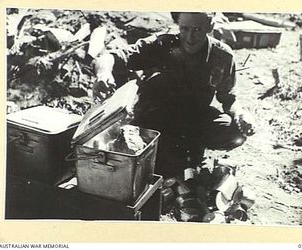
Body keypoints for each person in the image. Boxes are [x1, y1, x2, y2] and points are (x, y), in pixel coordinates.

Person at [92, 12, 255, 177]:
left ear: (210, 27)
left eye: (197, 29)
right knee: (164, 169)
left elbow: (229, 98)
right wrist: (103, 74)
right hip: (155, 119)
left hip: (194, 118)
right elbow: (110, 58)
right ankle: (174, 152)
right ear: (178, 25)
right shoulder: (162, 45)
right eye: (184, 29)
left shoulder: (222, 56)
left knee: (234, 132)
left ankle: (190, 148)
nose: (190, 37)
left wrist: (240, 114)